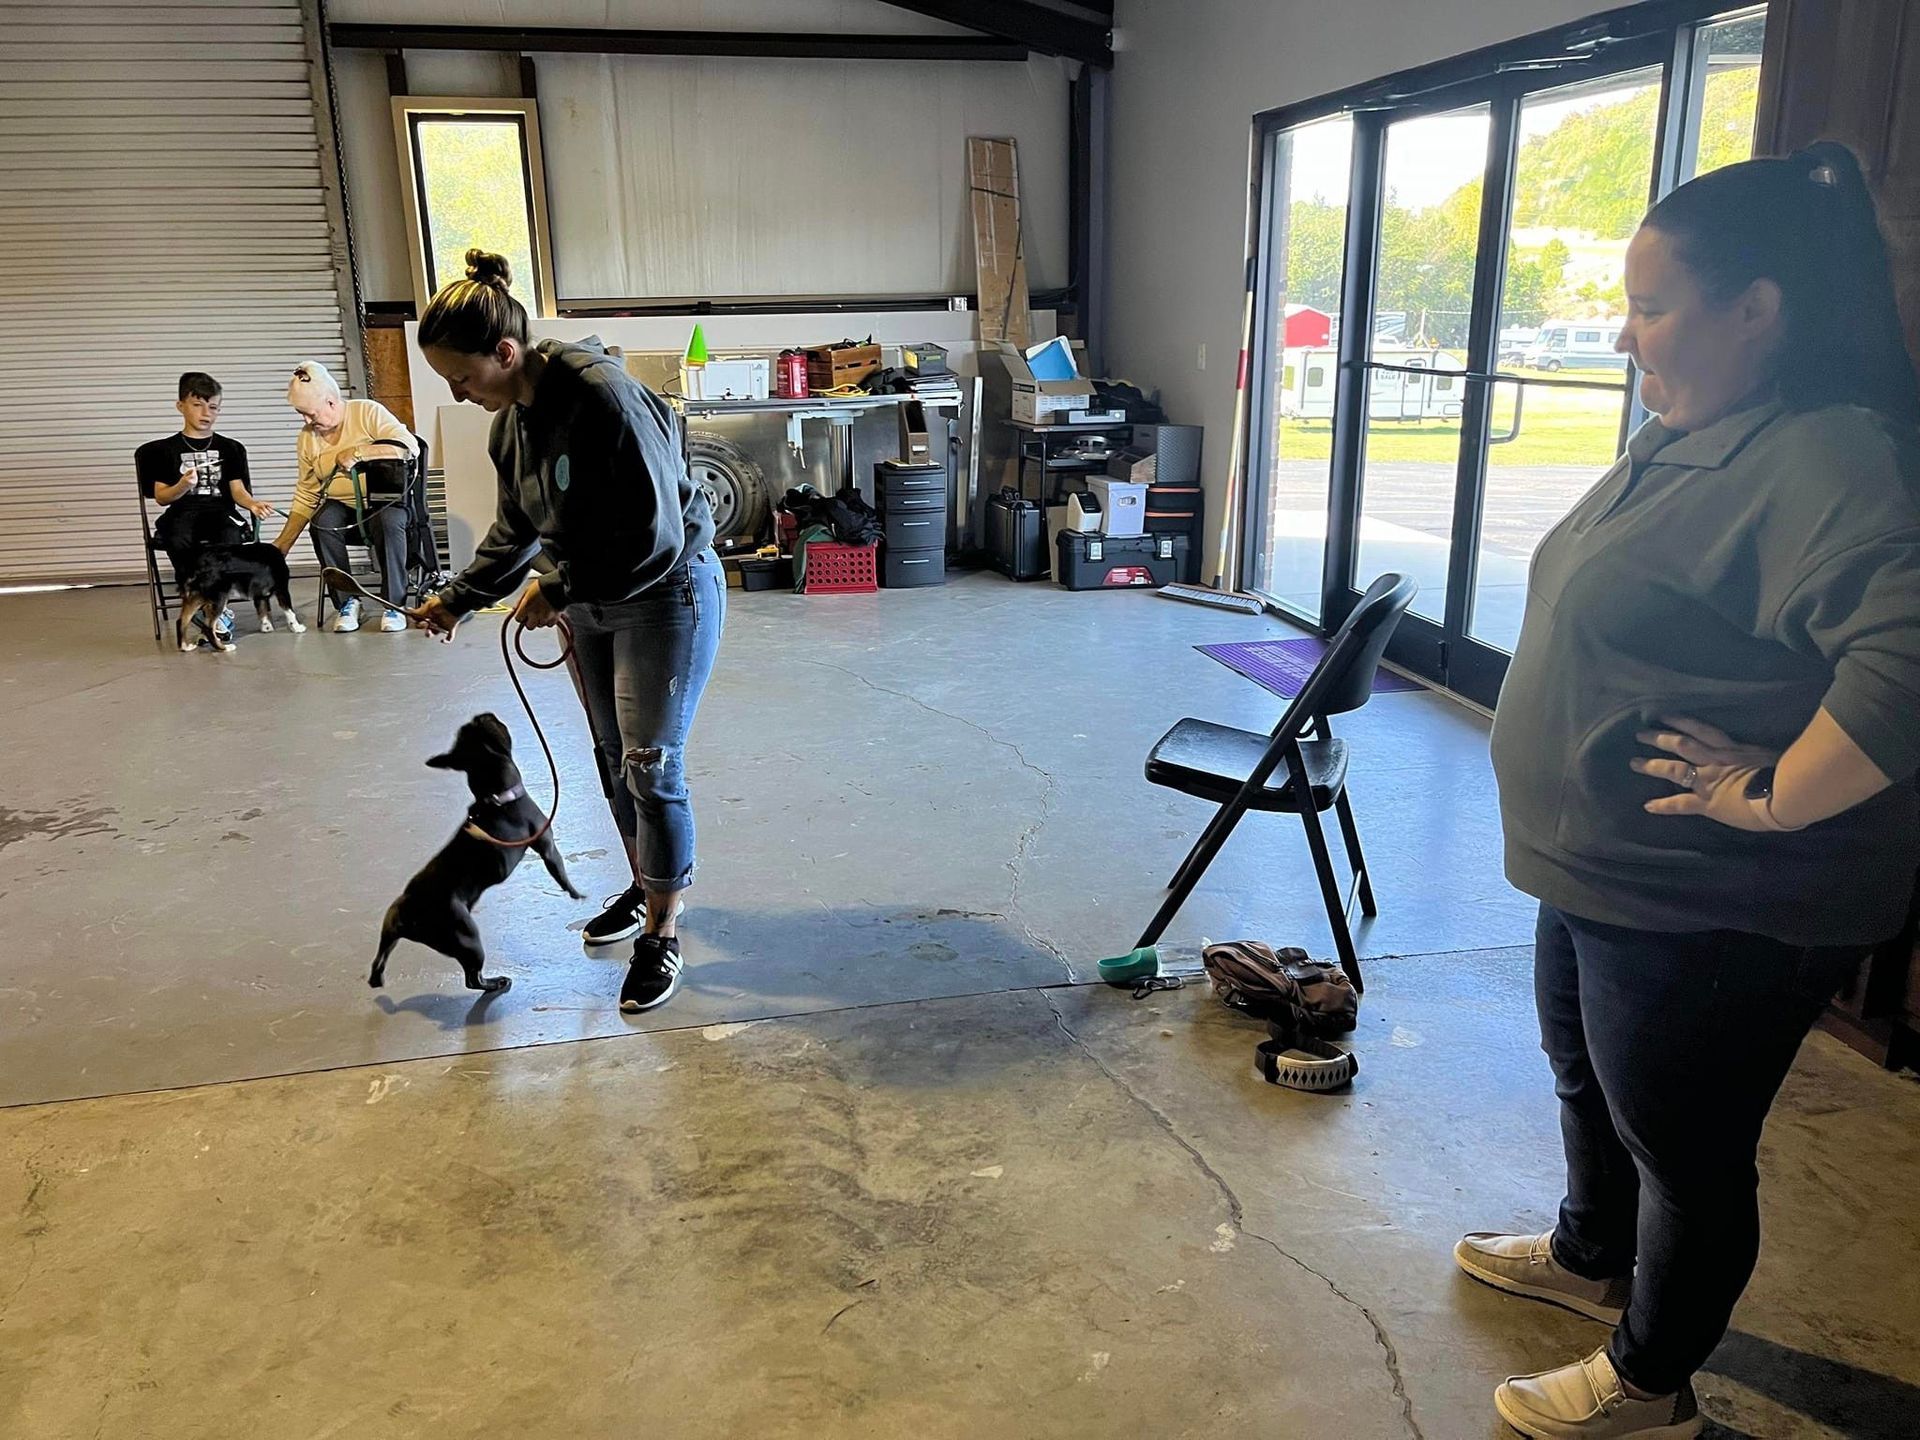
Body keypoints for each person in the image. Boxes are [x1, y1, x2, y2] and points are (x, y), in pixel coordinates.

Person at [1464, 142, 1920, 1439]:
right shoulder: (1702, 429)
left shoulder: (1834, 457)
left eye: (1651, 308)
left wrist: (1769, 796)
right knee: (1585, 1076)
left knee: (1685, 1151)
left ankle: (1649, 1385)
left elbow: (1906, 656)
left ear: (1757, 309)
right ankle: (1586, 1254)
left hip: (1709, 900)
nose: (1624, 337)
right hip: (1603, 871)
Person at [411, 250, 723, 1015]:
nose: (456, 392)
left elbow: (652, 532)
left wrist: (558, 587)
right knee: (615, 760)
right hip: (589, 602)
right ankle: (647, 881)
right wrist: (458, 599)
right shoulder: (509, 428)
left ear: (504, 353)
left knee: (651, 763)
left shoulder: (602, 397)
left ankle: (663, 929)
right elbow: (515, 530)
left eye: (461, 376)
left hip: (665, 590)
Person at [270, 361, 418, 632]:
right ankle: (347, 602)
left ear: (330, 402)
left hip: (385, 501)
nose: (307, 422)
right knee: (322, 522)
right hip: (344, 507)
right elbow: (307, 493)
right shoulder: (307, 438)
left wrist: (360, 453)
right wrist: (282, 545)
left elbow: (409, 447)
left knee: (387, 521)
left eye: (310, 414)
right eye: (301, 414)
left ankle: (393, 604)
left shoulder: (367, 412)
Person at [136, 372, 277, 638]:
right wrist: (183, 485)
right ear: (181, 406)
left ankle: (217, 605)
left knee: (230, 537)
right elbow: (162, 497)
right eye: (197, 405)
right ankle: (200, 597)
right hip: (182, 510)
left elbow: (238, 491)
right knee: (177, 537)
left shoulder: (230, 448)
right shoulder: (163, 450)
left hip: (221, 511)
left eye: (213, 407)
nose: (206, 413)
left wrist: (253, 503)